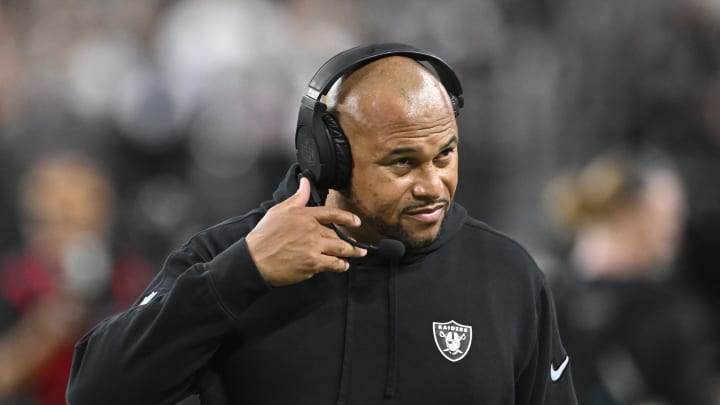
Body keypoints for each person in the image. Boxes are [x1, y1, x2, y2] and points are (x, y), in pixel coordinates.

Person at [66, 43, 577, 405]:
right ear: (327, 158)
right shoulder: (232, 257)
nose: (432, 184)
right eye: (401, 163)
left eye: (445, 154)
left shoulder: (507, 274)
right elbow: (95, 392)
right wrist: (241, 275)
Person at [544, 150, 715, 405]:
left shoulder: (545, 294)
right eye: (669, 217)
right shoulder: (547, 298)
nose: (677, 231)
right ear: (630, 215)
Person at [0, 152, 154, 405]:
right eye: (43, 222)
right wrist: (43, 332)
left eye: (71, 222)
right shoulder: (11, 282)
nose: (57, 236)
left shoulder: (131, 281)